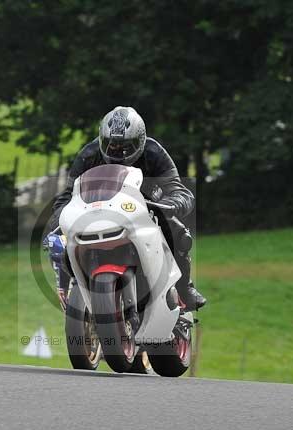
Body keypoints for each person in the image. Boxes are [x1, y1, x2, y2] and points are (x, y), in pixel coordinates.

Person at [48, 106, 207, 311]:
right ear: (101, 139)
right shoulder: (89, 154)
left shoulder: (154, 152)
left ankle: (185, 288)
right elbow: (67, 195)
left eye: (125, 147)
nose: (117, 152)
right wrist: (60, 219)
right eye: (111, 145)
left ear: (140, 140)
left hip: (145, 208)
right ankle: (78, 287)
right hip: (99, 211)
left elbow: (177, 188)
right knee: (60, 243)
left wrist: (172, 203)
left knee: (179, 233)